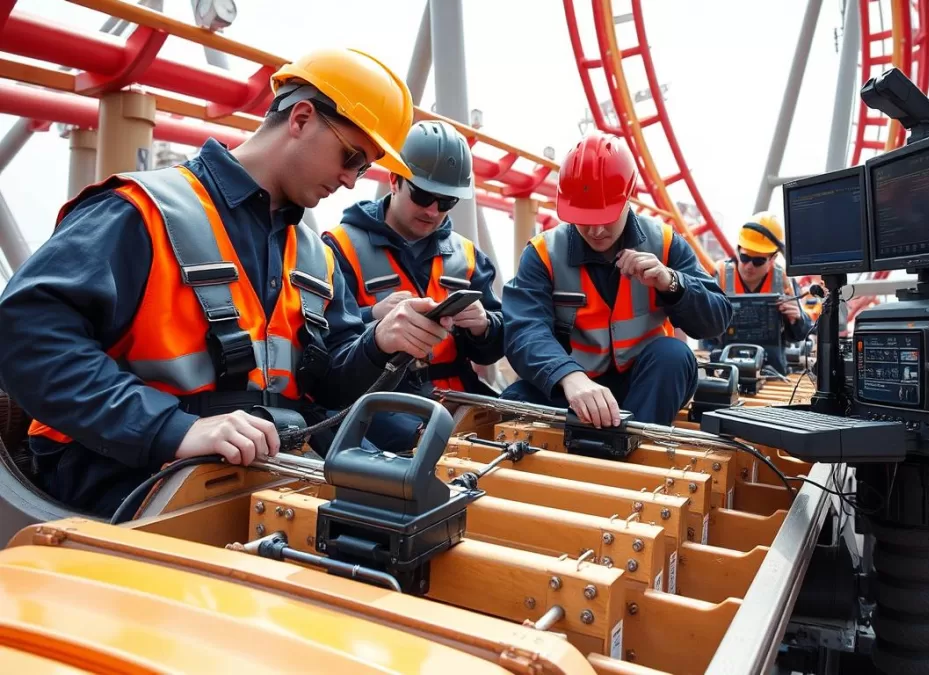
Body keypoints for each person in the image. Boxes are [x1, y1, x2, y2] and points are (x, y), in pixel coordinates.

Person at [0, 47, 455, 517]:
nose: (350, 180)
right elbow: (26, 338)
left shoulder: (316, 256)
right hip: (125, 477)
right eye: (352, 155)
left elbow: (327, 386)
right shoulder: (141, 212)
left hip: (257, 475)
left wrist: (378, 344)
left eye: (363, 168)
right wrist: (172, 429)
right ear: (300, 118)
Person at [500, 130, 732, 428]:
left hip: (646, 387)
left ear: (628, 197)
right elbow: (524, 331)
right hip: (574, 388)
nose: (596, 231)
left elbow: (716, 319)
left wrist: (673, 283)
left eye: (605, 218)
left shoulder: (665, 242)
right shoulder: (543, 253)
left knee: (673, 355)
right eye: (585, 219)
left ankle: (635, 452)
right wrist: (569, 377)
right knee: (513, 404)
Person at [322, 119, 504, 451]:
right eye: (423, 196)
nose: (434, 211)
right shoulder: (338, 247)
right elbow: (324, 347)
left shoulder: (467, 256)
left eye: (447, 202)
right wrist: (372, 317)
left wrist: (484, 326)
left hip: (458, 403)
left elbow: (494, 347)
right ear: (394, 180)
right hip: (378, 407)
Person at [707, 212, 812, 374]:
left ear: (773, 258)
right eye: (744, 257)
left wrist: (797, 319)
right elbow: (702, 328)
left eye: (758, 261)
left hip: (772, 368)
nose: (749, 266)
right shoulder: (720, 274)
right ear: (738, 251)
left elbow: (801, 334)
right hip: (725, 364)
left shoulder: (783, 280)